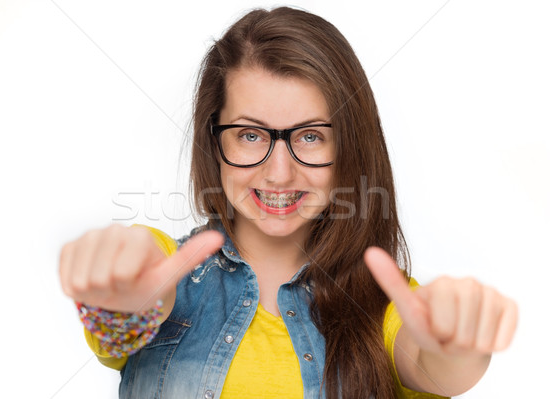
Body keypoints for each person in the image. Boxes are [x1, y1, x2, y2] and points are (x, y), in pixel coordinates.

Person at [59, 6, 518, 398]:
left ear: (351, 149)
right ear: (212, 140)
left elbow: (438, 368)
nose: (279, 172)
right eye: (250, 135)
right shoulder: (166, 271)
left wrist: (458, 343)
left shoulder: (391, 311)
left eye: (311, 136)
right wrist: (120, 291)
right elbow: (127, 312)